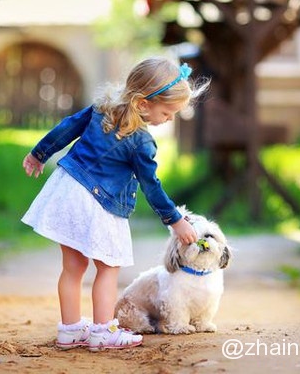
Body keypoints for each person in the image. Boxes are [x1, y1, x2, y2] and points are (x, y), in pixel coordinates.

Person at [21, 56, 209, 351]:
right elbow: (151, 186)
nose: (169, 119)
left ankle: (70, 330)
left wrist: (39, 154)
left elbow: (67, 127)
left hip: (67, 191)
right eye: (168, 112)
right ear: (144, 104)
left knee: (73, 266)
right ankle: (103, 331)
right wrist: (175, 219)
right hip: (97, 202)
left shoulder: (101, 109)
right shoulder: (141, 142)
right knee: (108, 268)